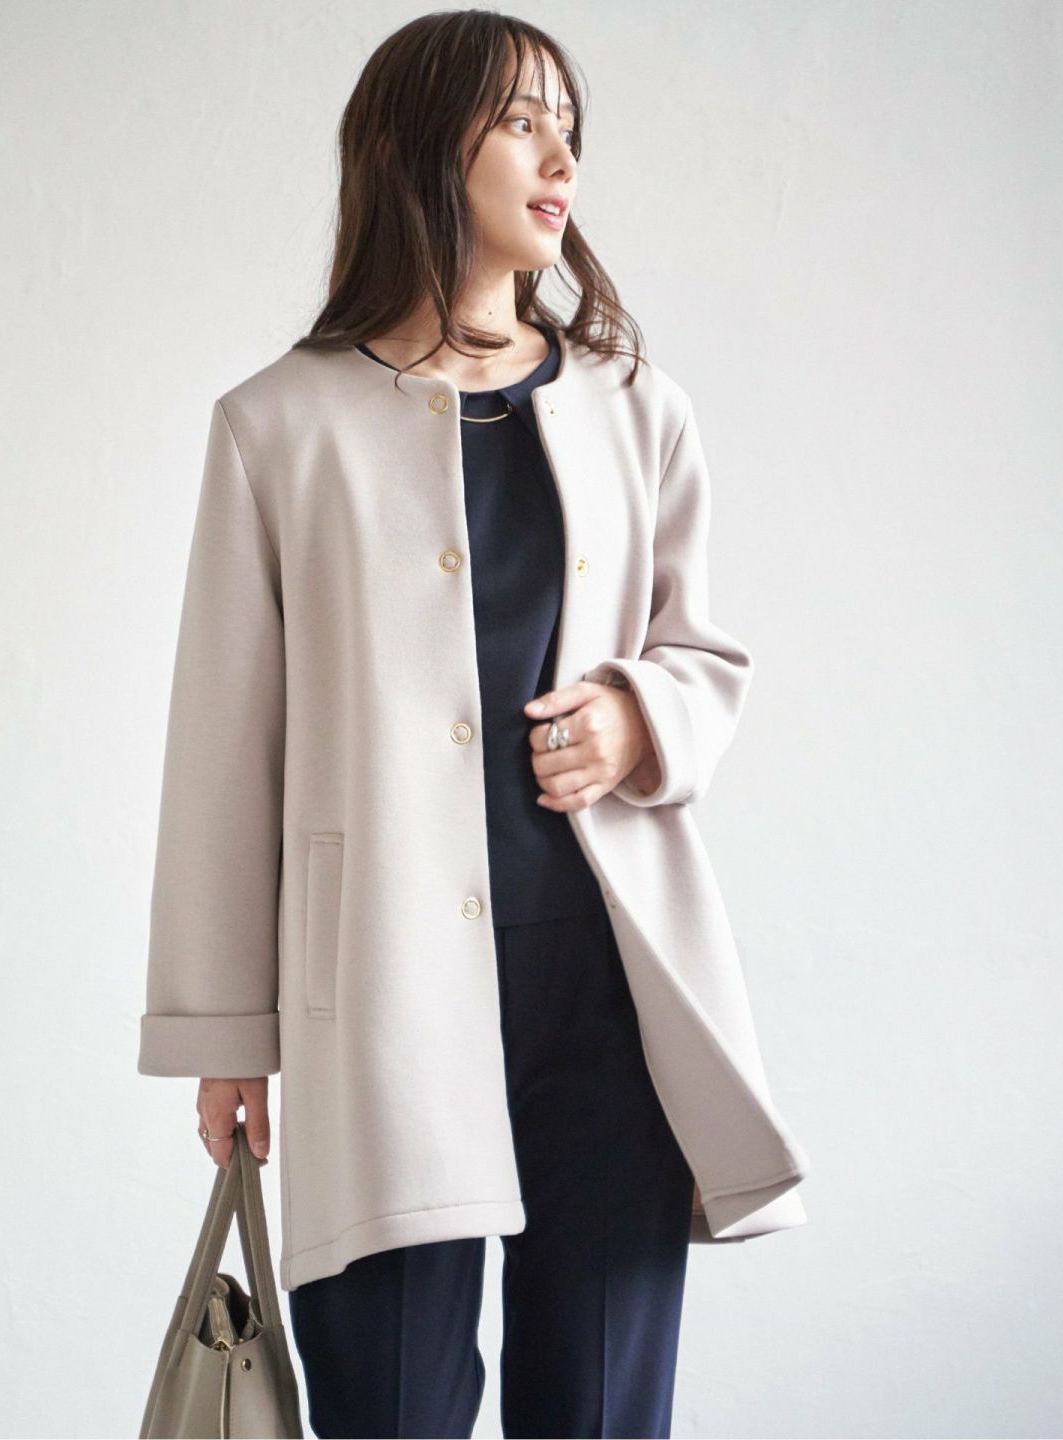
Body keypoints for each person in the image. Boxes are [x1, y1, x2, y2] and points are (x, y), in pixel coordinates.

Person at [138, 10, 811, 1439]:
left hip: (609, 989)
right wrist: (226, 1033)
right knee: (392, 1403)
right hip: (381, 991)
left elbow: (704, 653)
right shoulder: (280, 427)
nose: (561, 158)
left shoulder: (636, 407)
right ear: (418, 148)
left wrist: (635, 721)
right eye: (521, 121)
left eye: (571, 127)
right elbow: (223, 753)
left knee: (602, 1405)